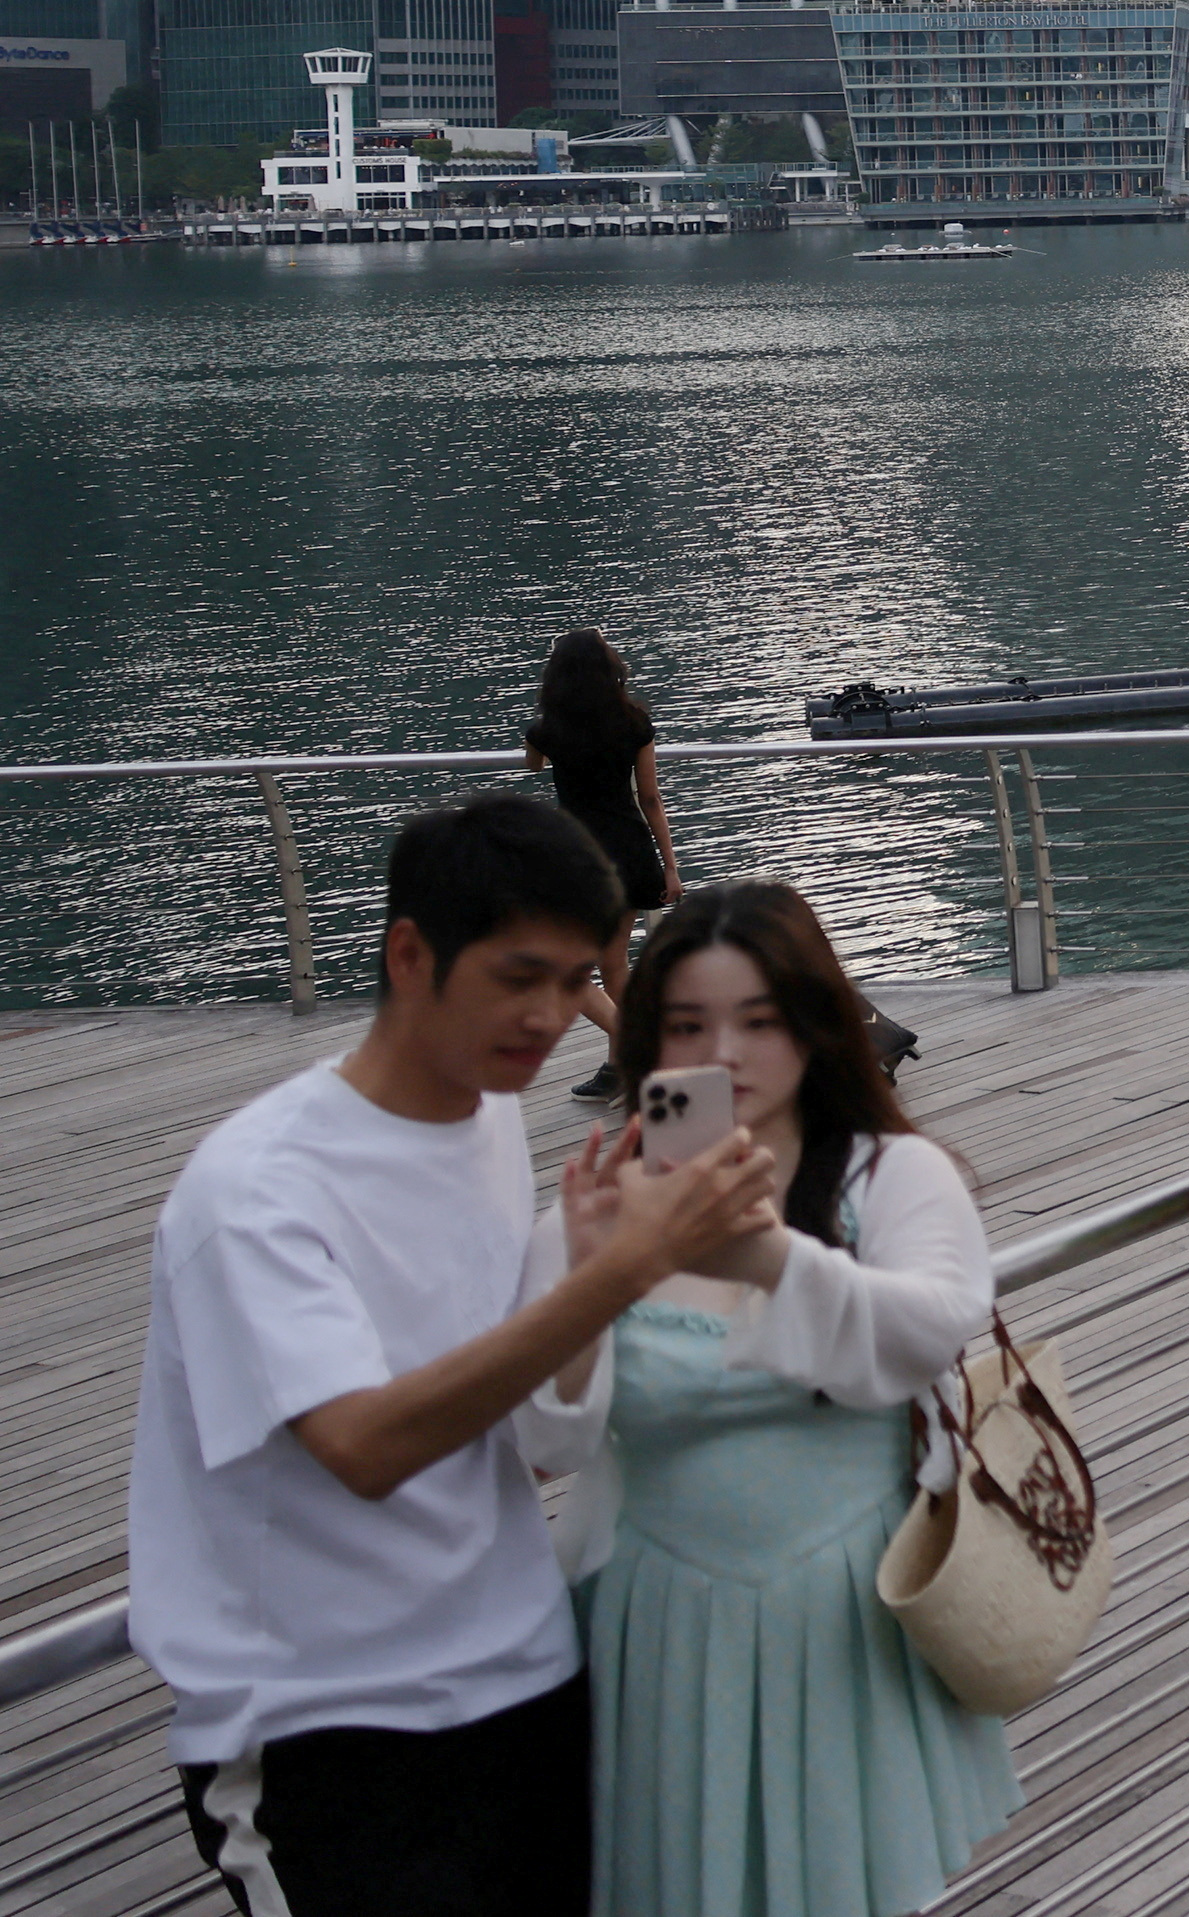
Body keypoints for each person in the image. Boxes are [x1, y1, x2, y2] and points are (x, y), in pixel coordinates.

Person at [127, 790, 778, 1917]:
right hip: (323, 1720)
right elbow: (364, 1444)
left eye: (576, 980)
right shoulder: (255, 1194)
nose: (549, 1014)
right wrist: (620, 1275)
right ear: (410, 953)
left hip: (516, 1667)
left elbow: (521, 1430)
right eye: (518, 977)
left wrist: (586, 1265)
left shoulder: (479, 1117)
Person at [510, 882, 1017, 1915]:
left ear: (817, 1027)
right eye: (687, 1025)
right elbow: (541, 1439)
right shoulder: (600, 1212)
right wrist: (591, 1282)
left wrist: (769, 1255)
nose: (723, 1056)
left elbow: (928, 1326)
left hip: (844, 1616)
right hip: (657, 1622)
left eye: (758, 1021)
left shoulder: (894, 1175)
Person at [525, 630, 678, 1097]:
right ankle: (621, 1065)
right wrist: (670, 867)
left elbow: (533, 765)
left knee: (564, 971)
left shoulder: (547, 728)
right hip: (630, 850)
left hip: (579, 860)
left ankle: (634, 1049)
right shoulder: (634, 721)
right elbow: (650, 798)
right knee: (614, 964)